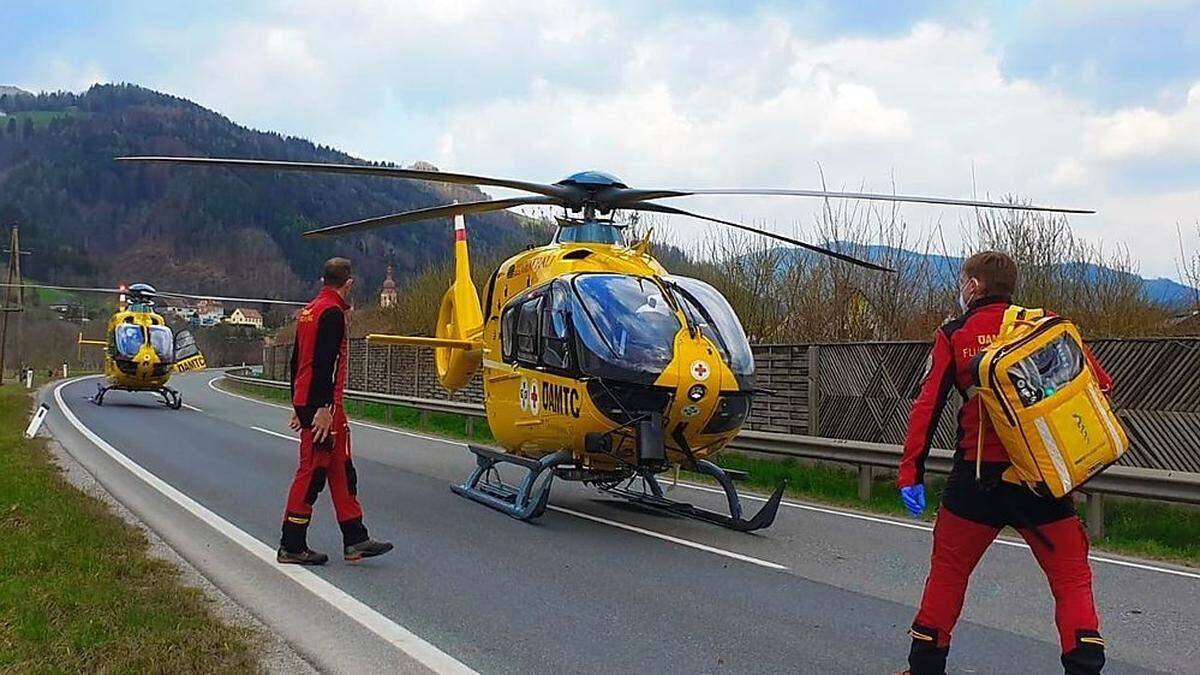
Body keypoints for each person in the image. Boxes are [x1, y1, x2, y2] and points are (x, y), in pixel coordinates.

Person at [896, 251, 1111, 675]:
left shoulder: (955, 333)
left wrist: (911, 474)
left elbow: (927, 407)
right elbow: (1101, 385)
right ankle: (1084, 666)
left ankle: (924, 668)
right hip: (1042, 478)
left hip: (976, 480)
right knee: (1070, 578)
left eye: (963, 282)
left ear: (973, 287)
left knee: (949, 574)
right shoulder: (1046, 325)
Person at [278, 257, 393, 565]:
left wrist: (298, 403)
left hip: (313, 403)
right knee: (312, 473)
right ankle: (292, 544)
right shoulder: (332, 314)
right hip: (323, 407)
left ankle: (356, 538)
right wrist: (322, 409)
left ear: (322, 279)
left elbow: (297, 361)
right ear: (349, 283)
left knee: (341, 469)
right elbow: (325, 365)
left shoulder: (309, 311)